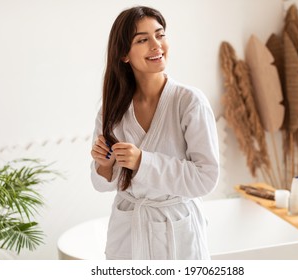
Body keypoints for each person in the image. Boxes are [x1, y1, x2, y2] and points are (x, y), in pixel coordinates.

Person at [90, 5, 219, 260]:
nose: (156, 45)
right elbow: (101, 183)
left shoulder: (189, 102)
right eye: (142, 40)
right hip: (128, 234)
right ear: (124, 54)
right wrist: (104, 167)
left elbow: (207, 178)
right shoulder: (112, 108)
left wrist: (142, 161)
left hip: (177, 233)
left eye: (160, 35)